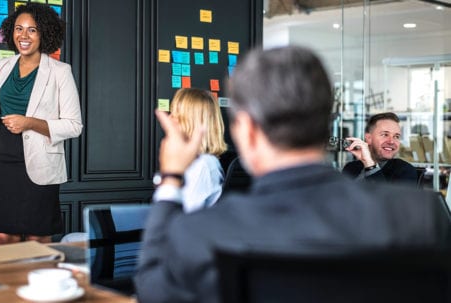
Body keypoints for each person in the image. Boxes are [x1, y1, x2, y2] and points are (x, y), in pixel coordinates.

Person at [134, 46, 450, 303]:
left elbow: (151, 291)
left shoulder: (205, 232)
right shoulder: (421, 217)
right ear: (324, 122)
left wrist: (171, 178)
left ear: (247, 131)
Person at [0, 3, 82, 245]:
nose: (24, 35)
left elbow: (74, 125)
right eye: (19, 29)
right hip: (1, 162)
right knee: (3, 234)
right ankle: (10, 284)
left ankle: (38, 284)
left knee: (37, 236)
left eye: (32, 30)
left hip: (40, 165)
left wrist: (29, 123)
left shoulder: (60, 71)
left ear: (44, 33)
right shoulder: (1, 67)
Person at [165, 88, 227, 213]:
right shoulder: (192, 162)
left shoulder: (203, 166)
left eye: (176, 114)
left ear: (192, 122)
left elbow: (183, 222)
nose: (170, 118)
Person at [342, 112, 417, 185]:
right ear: (369, 138)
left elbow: (386, 197)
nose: (391, 141)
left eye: (396, 136)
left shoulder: (405, 171)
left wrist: (370, 166)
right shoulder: (351, 167)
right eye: (385, 135)